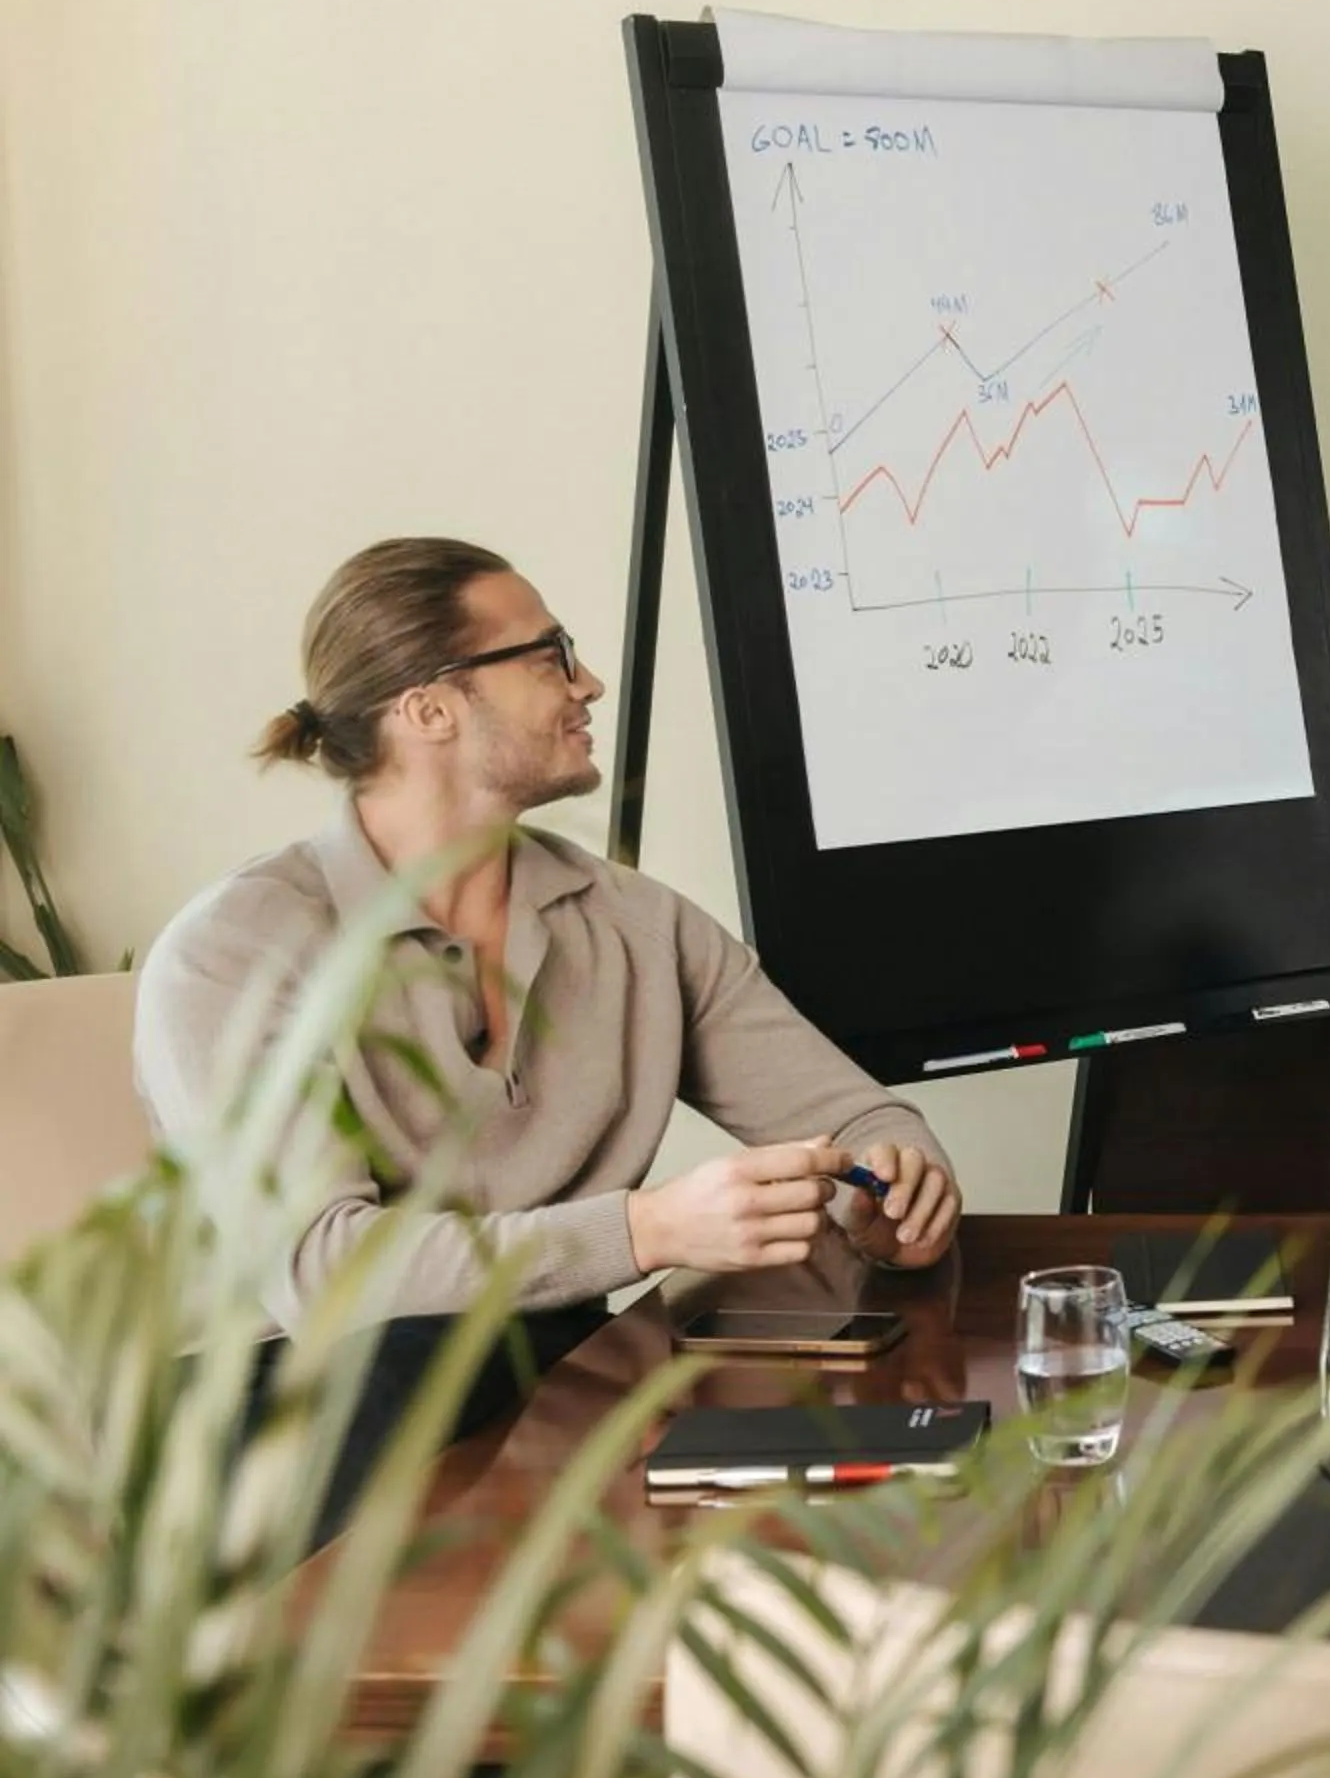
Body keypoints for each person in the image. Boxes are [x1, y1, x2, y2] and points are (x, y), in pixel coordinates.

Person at [136, 538, 962, 1339]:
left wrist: (891, 1193)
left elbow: (857, 1118)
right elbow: (320, 1272)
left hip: (550, 1395)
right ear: (428, 708)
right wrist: (644, 1232)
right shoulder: (232, 954)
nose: (589, 684)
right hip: (294, 1421)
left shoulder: (639, 926)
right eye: (549, 655)